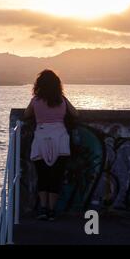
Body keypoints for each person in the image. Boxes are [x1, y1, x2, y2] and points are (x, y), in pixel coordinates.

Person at [24, 69, 78, 221]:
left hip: (41, 139)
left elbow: (26, 114)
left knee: (43, 175)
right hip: (60, 139)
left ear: (39, 84)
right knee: (56, 176)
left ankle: (43, 209)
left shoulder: (35, 101)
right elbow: (75, 114)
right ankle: (52, 211)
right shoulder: (62, 100)